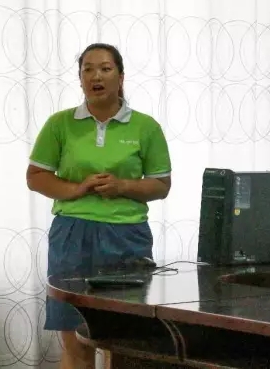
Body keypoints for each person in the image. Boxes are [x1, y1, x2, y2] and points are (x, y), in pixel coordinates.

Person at [26, 43, 172, 369]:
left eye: (105, 68)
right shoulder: (60, 124)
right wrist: (76, 188)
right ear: (80, 79)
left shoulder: (146, 127)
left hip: (127, 237)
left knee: (125, 344)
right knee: (76, 341)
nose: (96, 76)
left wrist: (123, 186)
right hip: (72, 235)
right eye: (88, 69)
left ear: (121, 77)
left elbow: (161, 185)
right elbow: (35, 177)